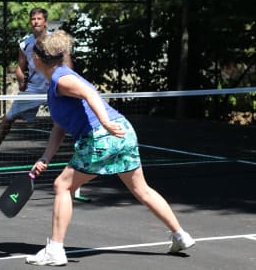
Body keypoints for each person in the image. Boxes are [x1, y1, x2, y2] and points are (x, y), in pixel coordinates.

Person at [24, 30, 195, 266]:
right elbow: (59, 127)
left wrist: (104, 121)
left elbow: (89, 93)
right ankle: (180, 235)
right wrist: (45, 157)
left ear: (37, 59)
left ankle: (55, 250)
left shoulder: (62, 79)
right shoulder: (59, 82)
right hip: (123, 133)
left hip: (103, 135)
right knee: (141, 189)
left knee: (61, 185)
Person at [0, 8, 72, 160]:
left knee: (67, 117)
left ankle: (76, 150)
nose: (36, 21)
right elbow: (20, 67)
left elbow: (67, 62)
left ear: (45, 22)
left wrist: (67, 81)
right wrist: (21, 81)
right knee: (9, 117)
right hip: (33, 89)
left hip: (55, 87)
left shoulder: (56, 40)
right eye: (33, 19)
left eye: (39, 19)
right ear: (30, 22)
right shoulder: (25, 43)